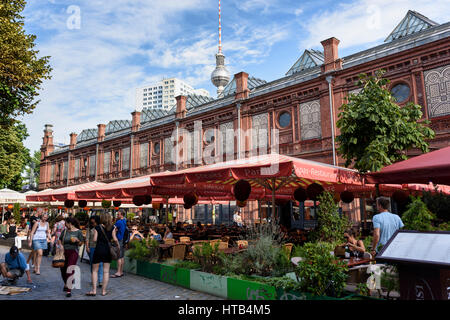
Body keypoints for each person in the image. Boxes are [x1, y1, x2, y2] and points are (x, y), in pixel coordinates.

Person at [86, 212, 119, 297]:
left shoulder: (97, 227)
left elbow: (94, 239)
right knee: (106, 271)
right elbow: (115, 239)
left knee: (94, 271)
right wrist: (118, 246)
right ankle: (104, 291)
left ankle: (94, 290)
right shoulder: (112, 228)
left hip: (98, 250)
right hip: (107, 251)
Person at [58, 217, 84, 297]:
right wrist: (61, 245)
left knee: (70, 269)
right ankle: (67, 283)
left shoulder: (78, 232)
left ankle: (69, 290)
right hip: (64, 252)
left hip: (73, 252)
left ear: (70, 223)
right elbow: (59, 239)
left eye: (66, 223)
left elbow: (81, 243)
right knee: (63, 270)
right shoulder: (65, 231)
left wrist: (77, 241)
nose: (65, 225)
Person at [85, 216, 103, 288]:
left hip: (100, 247)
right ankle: (93, 280)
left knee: (100, 264)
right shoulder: (89, 228)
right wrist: (87, 247)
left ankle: (100, 281)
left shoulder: (101, 227)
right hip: (92, 247)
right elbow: (87, 238)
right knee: (93, 264)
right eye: (92, 222)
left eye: (94, 222)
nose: (93, 224)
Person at [111, 210, 127, 278]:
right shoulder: (124, 221)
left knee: (119, 256)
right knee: (122, 256)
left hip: (119, 239)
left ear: (121, 215)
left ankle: (118, 272)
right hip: (123, 240)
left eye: (118, 214)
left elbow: (112, 229)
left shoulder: (119, 222)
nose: (117, 215)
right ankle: (121, 271)